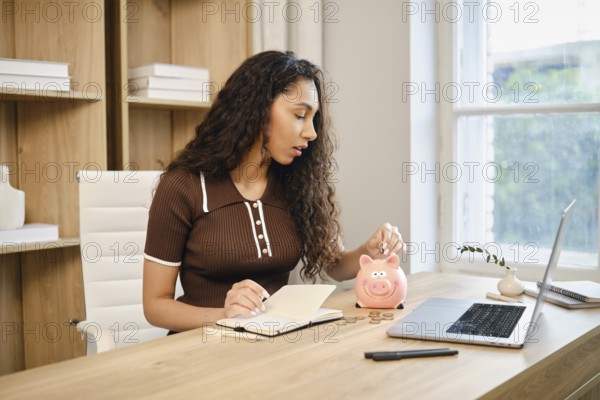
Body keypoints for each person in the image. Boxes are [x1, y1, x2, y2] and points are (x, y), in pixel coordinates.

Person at [143, 50, 405, 333]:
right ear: (257, 109)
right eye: (300, 115)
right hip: (202, 348)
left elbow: (336, 265)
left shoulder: (298, 184)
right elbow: (155, 305)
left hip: (275, 343)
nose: (311, 133)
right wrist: (226, 314)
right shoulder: (183, 187)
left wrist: (368, 251)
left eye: (313, 119)